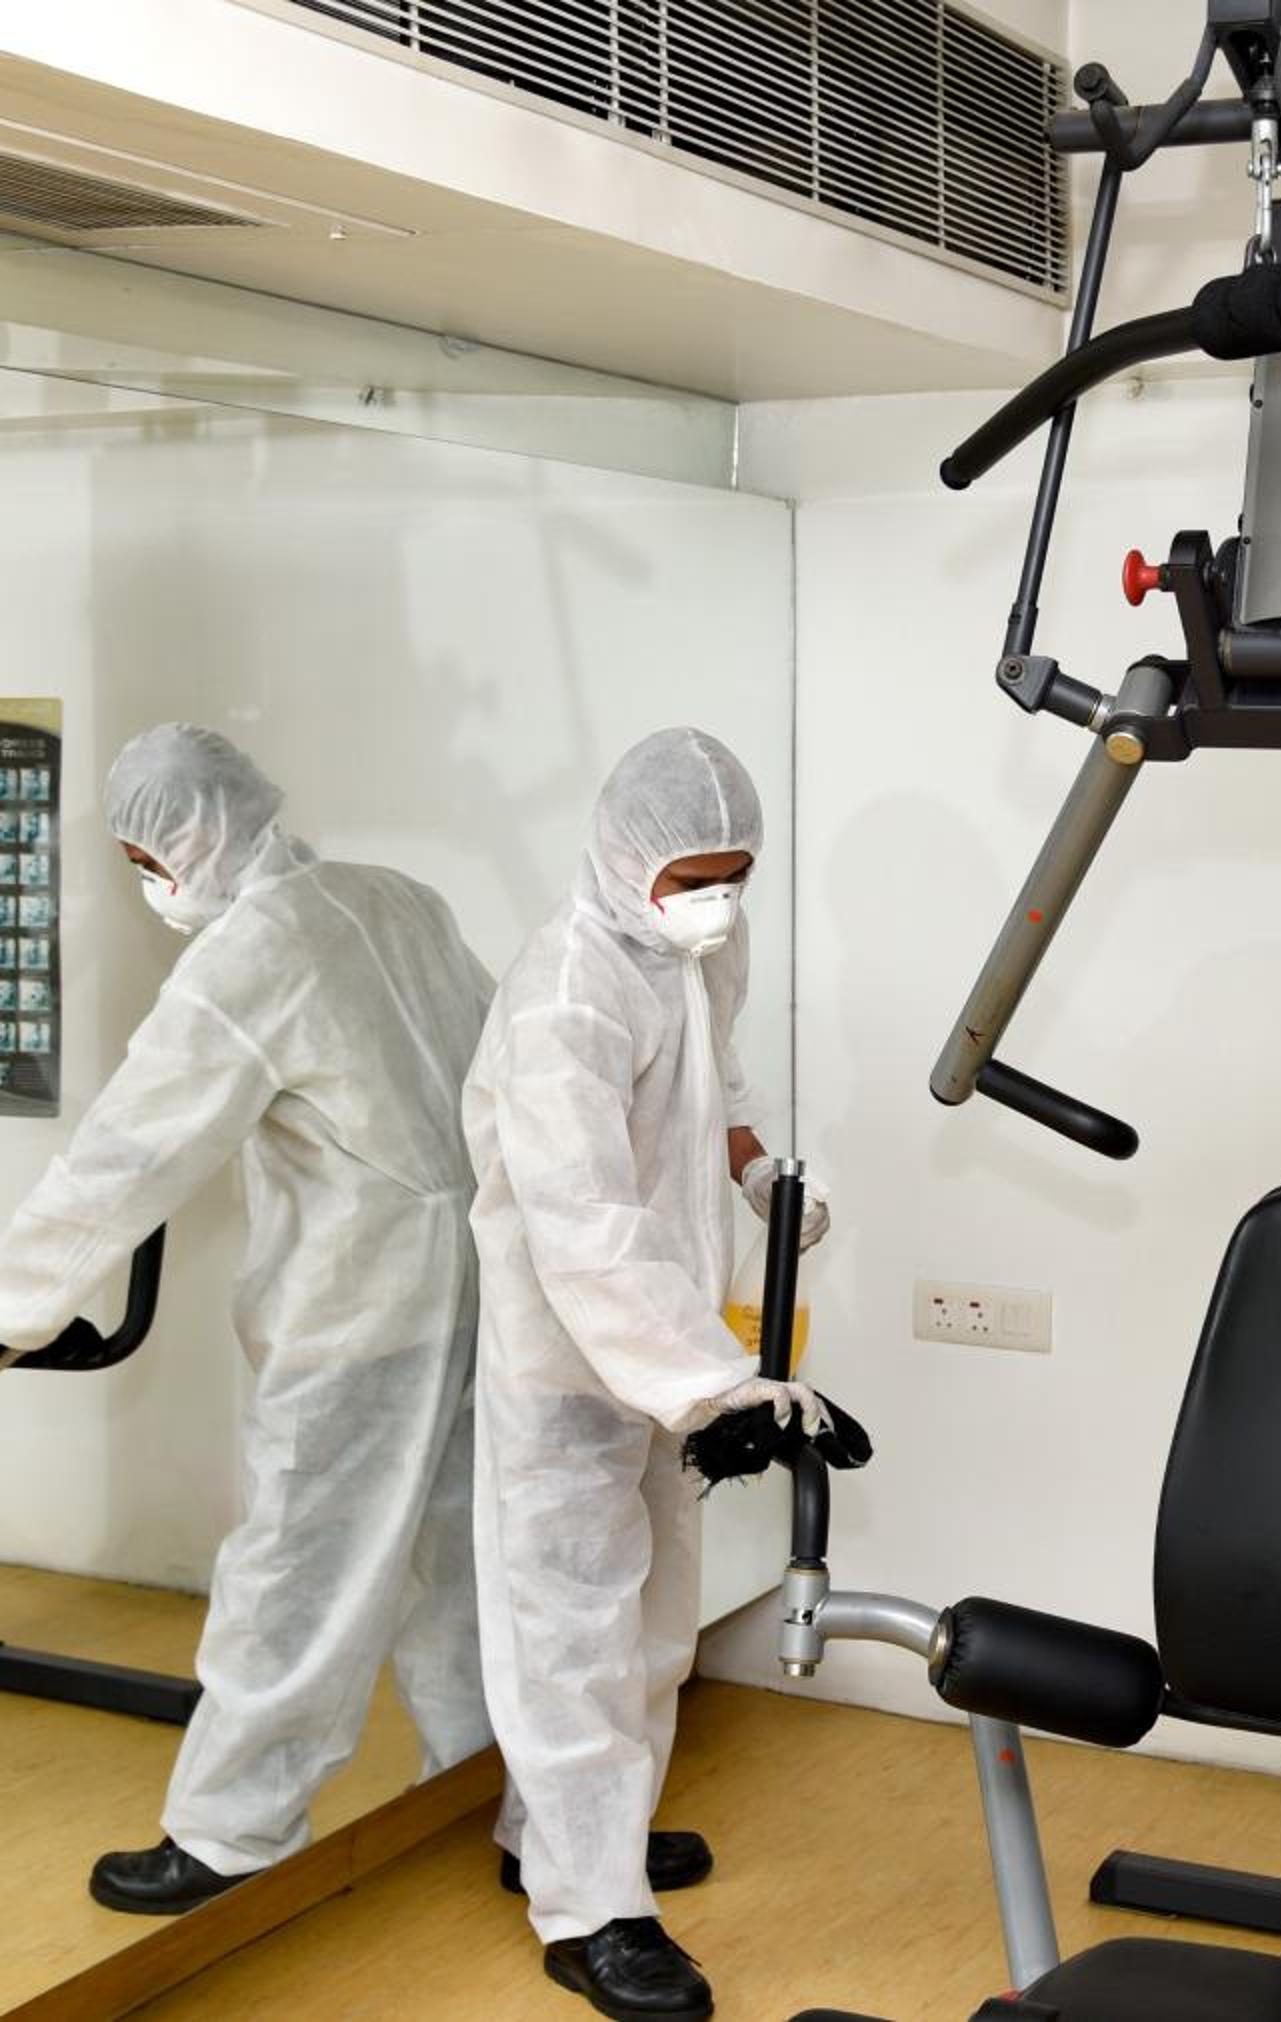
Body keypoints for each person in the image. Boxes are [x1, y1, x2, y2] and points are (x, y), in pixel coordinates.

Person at [0, 724, 495, 1914]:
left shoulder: (251, 953)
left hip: (358, 1304)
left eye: (144, 861)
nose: (150, 885)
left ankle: (229, 1835)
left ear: (189, 838)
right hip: (477, 1282)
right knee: (472, 1560)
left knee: (295, 1568)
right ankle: (495, 1788)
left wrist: (4, 1308)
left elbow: (129, 1149)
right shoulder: (396, 897)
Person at [468, 727, 841, 2020]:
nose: (720, 901)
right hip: (567, 1350)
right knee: (573, 1626)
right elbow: (580, 1225)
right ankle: (591, 1910)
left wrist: (756, 1169)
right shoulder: (563, 995)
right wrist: (714, 1385)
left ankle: (566, 1831)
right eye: (696, 878)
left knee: (656, 1614)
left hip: (671, 1326)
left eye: (738, 875)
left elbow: (710, 1072)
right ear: (627, 858)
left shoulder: (692, 942)